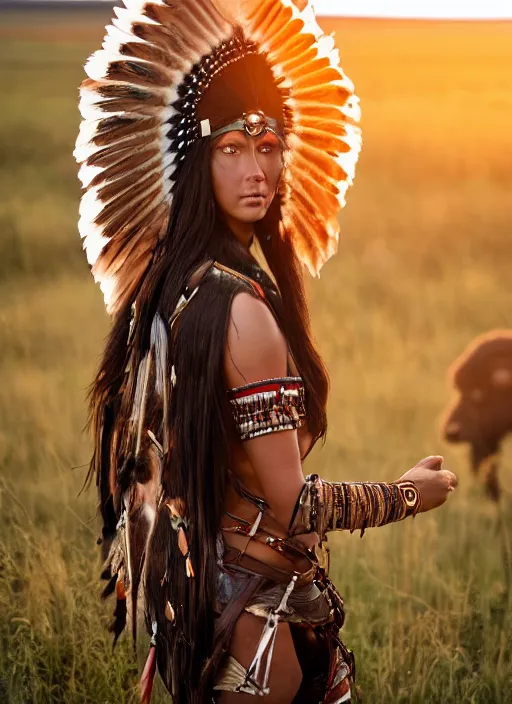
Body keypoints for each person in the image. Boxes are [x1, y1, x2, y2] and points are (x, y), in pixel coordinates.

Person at [74, 1, 458, 702]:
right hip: (258, 635)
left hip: (214, 615)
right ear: (198, 162)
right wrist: (409, 494)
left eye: (270, 146)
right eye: (231, 149)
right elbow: (291, 507)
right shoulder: (243, 314)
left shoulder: (177, 288)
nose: (257, 169)